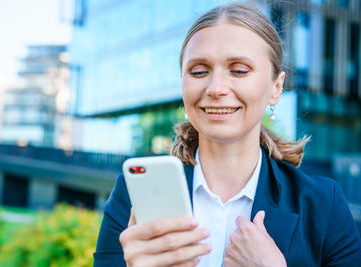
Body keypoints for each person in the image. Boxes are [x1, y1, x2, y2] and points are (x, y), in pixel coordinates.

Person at [93, 2, 361, 266]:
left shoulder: (324, 205)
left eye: (239, 71)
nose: (216, 88)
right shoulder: (133, 195)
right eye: (198, 71)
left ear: (276, 88)